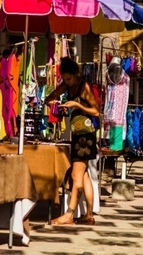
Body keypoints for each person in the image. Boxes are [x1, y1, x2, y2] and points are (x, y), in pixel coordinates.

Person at [45, 57, 100, 225]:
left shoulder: (84, 87)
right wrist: (53, 102)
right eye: (64, 79)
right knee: (84, 176)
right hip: (77, 134)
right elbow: (50, 97)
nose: (66, 82)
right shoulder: (67, 86)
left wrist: (77, 106)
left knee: (76, 175)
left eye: (69, 79)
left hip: (86, 136)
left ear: (76, 74)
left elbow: (96, 111)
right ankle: (89, 215)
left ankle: (69, 214)